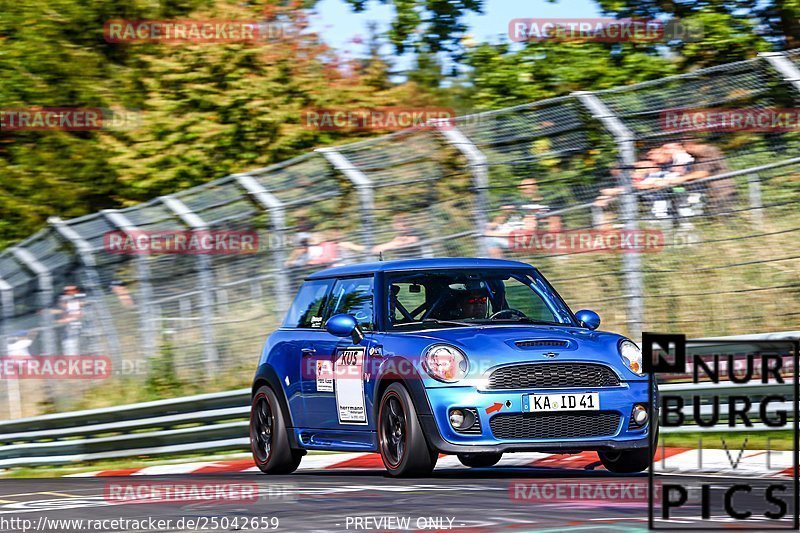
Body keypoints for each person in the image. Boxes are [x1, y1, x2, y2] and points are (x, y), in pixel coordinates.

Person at [56, 285, 84, 356]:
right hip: (68, 333)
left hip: (74, 332)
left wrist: (65, 320)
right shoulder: (68, 305)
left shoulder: (73, 303)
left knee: (72, 350)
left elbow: (78, 316)